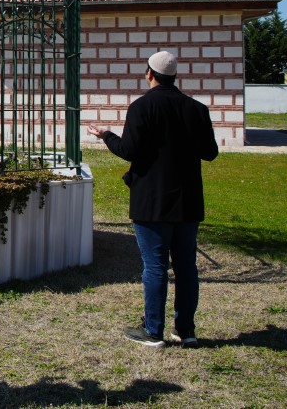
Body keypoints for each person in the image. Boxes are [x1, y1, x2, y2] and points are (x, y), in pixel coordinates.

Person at [88, 51, 218, 349]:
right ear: (175, 76)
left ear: (149, 74)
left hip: (152, 200)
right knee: (186, 267)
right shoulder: (197, 109)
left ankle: (154, 330)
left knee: (155, 266)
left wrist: (106, 135)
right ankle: (186, 330)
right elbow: (210, 152)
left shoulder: (141, 107)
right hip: (187, 201)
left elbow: (129, 150)